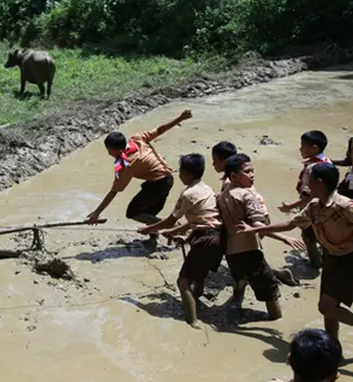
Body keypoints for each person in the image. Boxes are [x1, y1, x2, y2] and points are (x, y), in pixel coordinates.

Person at [238, 162, 353, 358]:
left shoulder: (345, 206)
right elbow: (290, 224)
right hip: (332, 258)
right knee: (329, 312)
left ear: (319, 183)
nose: (307, 185)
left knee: (326, 306)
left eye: (309, 180)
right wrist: (256, 229)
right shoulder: (314, 207)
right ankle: (333, 353)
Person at [85, 109, 192, 250]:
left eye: (109, 151)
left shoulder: (126, 164)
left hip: (158, 184)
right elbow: (159, 130)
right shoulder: (137, 139)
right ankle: (154, 240)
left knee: (133, 212)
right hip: (167, 179)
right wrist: (179, 118)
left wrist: (97, 212)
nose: (108, 153)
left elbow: (114, 191)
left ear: (117, 150)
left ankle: (174, 227)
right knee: (148, 213)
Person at [137, 153, 224, 327]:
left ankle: (193, 320)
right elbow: (198, 221)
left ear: (187, 173)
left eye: (181, 172)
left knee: (182, 282)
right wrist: (174, 232)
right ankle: (196, 299)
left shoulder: (188, 193)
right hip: (218, 237)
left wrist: (147, 229)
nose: (179, 175)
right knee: (200, 275)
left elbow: (170, 219)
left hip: (204, 238)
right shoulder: (206, 188)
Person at [217, 153, 306, 320]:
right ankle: (276, 320)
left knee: (240, 279)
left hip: (231, 252)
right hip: (250, 251)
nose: (252, 175)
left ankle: (235, 308)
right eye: (248, 171)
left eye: (253, 171)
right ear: (234, 176)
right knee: (270, 291)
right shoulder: (247, 195)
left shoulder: (222, 195)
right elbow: (259, 227)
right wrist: (285, 238)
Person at [211, 141, 300, 288]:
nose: (213, 165)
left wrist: (284, 238)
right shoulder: (237, 179)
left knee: (250, 257)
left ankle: (275, 275)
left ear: (224, 162)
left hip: (254, 220)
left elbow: (249, 217)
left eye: (215, 161)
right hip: (258, 215)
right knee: (250, 256)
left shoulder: (231, 182)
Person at [279, 130, 332, 269]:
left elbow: (310, 197)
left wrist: (290, 206)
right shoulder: (327, 162)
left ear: (314, 148)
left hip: (312, 208)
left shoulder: (312, 169)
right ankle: (328, 259)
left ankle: (315, 264)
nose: (300, 149)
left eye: (303, 146)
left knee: (309, 237)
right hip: (326, 205)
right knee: (324, 233)